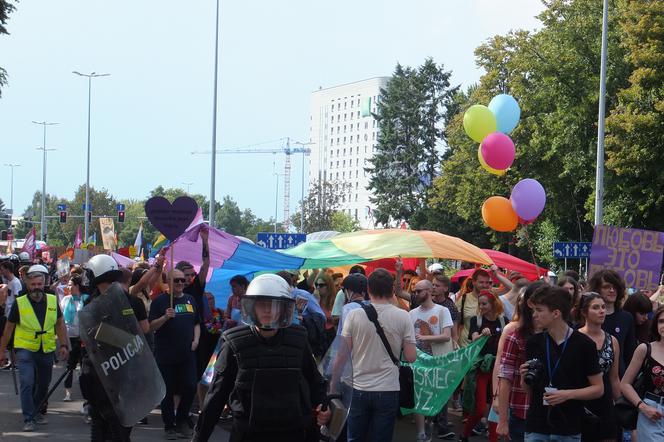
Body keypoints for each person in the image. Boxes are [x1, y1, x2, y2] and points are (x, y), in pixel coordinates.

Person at [193, 273, 327, 442]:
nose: (268, 310)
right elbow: (215, 397)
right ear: (251, 307)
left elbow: (315, 382)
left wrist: (324, 406)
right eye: (262, 304)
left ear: (283, 308)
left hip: (293, 432)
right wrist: (199, 438)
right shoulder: (234, 343)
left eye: (274, 305)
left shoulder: (298, 339)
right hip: (249, 434)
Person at [341, 268, 417, 442]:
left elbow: (343, 354)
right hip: (388, 388)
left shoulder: (353, 315)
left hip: (359, 387)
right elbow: (411, 356)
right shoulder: (403, 316)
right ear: (392, 291)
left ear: (368, 290)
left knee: (355, 438)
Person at [79, 254, 148, 442]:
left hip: (123, 371)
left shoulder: (130, 301)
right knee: (99, 422)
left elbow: (143, 334)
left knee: (120, 426)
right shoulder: (91, 303)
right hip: (99, 372)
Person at [522, 285, 604, 441]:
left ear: (555, 313)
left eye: (539, 310)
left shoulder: (584, 344)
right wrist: (523, 378)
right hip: (536, 425)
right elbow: (529, 390)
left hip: (568, 427)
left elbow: (598, 389)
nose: (534, 315)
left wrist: (567, 395)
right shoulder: (534, 342)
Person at [0, 264, 69, 432]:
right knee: (27, 382)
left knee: (44, 384)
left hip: (46, 349)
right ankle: (28, 417)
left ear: (43, 284)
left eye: (39, 284)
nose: (36, 288)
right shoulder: (20, 303)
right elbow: (9, 328)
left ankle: (37, 410)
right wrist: (1, 351)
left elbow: (60, 324)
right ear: (27, 285)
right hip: (25, 350)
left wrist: (64, 344)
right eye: (33, 285)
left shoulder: (52, 300)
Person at [149, 268, 200, 440]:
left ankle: (181, 419)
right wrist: (164, 317)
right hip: (166, 354)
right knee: (168, 391)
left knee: (191, 386)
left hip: (187, 353)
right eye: (176, 280)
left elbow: (196, 323)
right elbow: (150, 327)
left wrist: (196, 340)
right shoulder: (159, 302)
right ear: (168, 282)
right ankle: (169, 425)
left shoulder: (190, 300)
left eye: (182, 280)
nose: (180, 283)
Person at [497, 281, 545, 442]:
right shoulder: (515, 335)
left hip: (551, 414)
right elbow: (505, 377)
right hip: (521, 410)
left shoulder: (559, 336)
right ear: (529, 304)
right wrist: (502, 420)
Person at [410, 279, 454, 441]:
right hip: (418, 363)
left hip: (437, 361)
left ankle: (432, 424)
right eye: (415, 291)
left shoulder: (442, 311)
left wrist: (425, 337)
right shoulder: (412, 314)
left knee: (436, 396)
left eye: (419, 291)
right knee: (419, 396)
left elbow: (446, 336)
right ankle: (421, 433)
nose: (415, 294)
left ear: (428, 291)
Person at [461, 290, 507, 442]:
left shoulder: (503, 321)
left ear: (493, 303)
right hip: (482, 369)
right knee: (480, 409)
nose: (481, 306)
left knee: (496, 409)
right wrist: (482, 334)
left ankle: (492, 439)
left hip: (498, 369)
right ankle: (465, 434)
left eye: (484, 303)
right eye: (479, 303)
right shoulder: (477, 320)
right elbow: (474, 340)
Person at [575, 292, 620, 442]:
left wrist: (619, 407)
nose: (602, 311)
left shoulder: (612, 341)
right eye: (595, 307)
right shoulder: (574, 338)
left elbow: (614, 378)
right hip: (579, 402)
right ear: (584, 312)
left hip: (605, 403)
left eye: (603, 307)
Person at [620, 306, 664, 441]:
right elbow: (625, 384)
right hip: (652, 413)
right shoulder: (645, 349)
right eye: (661, 321)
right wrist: (643, 407)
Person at [588, 269, 637, 375]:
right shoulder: (587, 318)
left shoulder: (627, 318)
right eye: (606, 287)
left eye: (615, 287)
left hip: (619, 379)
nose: (612, 290)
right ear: (597, 289)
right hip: (589, 379)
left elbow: (630, 353)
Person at [60, 274, 89, 402]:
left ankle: (86, 398)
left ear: (77, 285)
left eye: (70, 285)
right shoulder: (66, 299)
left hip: (83, 338)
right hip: (69, 337)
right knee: (69, 366)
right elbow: (60, 319)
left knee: (84, 367)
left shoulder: (86, 299)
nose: (68, 287)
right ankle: (68, 393)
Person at [456, 269, 492, 348]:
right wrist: (455, 342)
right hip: (466, 345)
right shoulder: (464, 299)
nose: (485, 285)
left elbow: (510, 288)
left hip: (486, 345)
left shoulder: (492, 298)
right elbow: (456, 323)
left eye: (487, 282)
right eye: (481, 282)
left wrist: (496, 274)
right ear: (473, 282)